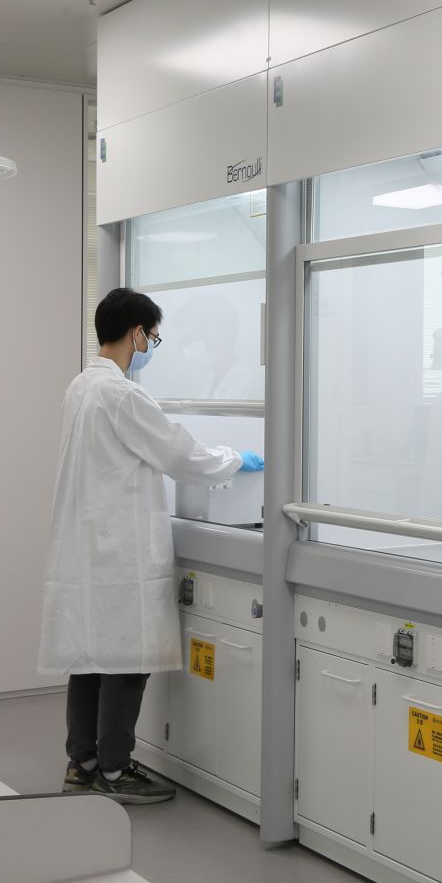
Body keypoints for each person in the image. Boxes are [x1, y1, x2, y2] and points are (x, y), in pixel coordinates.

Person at [39, 287, 264, 805]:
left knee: (90, 658)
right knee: (126, 659)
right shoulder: (122, 395)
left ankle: (82, 764)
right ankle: (115, 770)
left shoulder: (81, 387)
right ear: (136, 333)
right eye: (153, 338)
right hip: (119, 551)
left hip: (89, 547)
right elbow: (179, 453)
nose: (151, 347)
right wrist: (235, 460)